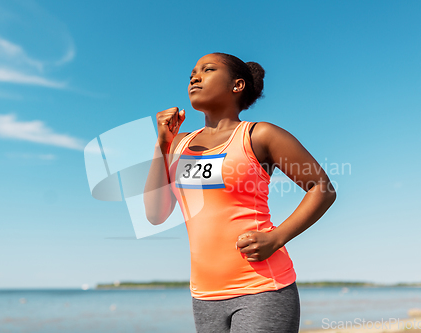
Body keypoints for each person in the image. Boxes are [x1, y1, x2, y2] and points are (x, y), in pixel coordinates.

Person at [144, 52, 336, 333]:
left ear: (237, 85)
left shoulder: (259, 135)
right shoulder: (179, 144)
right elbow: (155, 214)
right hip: (204, 295)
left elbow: (322, 188)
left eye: (207, 70)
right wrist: (162, 144)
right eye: (192, 74)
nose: (195, 77)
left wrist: (276, 238)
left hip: (262, 288)